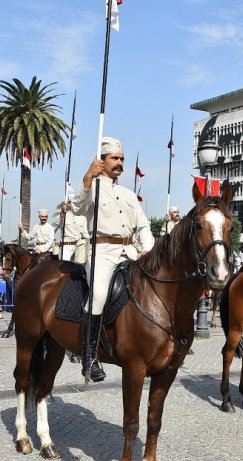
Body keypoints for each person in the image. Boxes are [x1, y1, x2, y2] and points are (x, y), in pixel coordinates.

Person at [71, 136, 155, 382]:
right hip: (103, 253)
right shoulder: (92, 188)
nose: (119, 163)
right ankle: (89, 357)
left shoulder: (129, 194)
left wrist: (148, 248)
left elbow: (143, 225)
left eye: (121, 159)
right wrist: (88, 177)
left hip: (129, 253)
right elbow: (77, 207)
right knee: (98, 295)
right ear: (102, 160)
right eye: (114, 158)